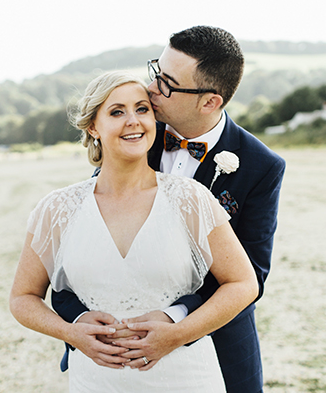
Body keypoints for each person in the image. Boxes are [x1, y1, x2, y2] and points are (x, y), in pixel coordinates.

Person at [52, 25, 286, 393]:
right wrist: (80, 321)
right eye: (155, 72)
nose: (151, 89)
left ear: (209, 101)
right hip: (115, 349)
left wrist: (175, 322)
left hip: (214, 342)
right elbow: (91, 241)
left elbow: (249, 277)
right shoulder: (136, 131)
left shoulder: (261, 166)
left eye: (167, 84)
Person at [9, 71, 258, 392]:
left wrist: (178, 334)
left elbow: (243, 283)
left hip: (185, 375)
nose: (133, 121)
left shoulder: (190, 198)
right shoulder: (56, 209)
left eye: (142, 109)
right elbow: (22, 298)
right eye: (117, 112)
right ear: (93, 127)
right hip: (96, 379)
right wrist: (70, 332)